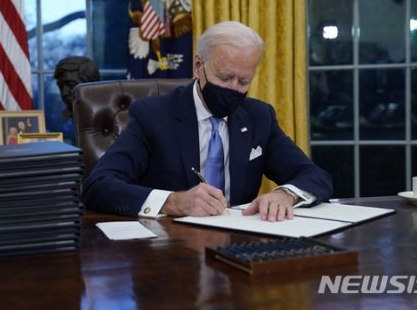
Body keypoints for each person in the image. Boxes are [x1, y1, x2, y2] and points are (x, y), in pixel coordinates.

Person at [82, 21, 333, 222]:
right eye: (224, 78)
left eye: (243, 81)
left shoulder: (259, 117)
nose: (234, 89)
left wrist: (285, 194)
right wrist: (174, 202)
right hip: (169, 249)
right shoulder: (153, 115)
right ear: (198, 65)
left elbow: (314, 176)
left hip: (240, 243)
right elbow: (98, 186)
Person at [54, 56, 101, 144]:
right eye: (60, 86)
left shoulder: (109, 118)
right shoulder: (56, 121)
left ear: (90, 85)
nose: (64, 92)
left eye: (71, 85)